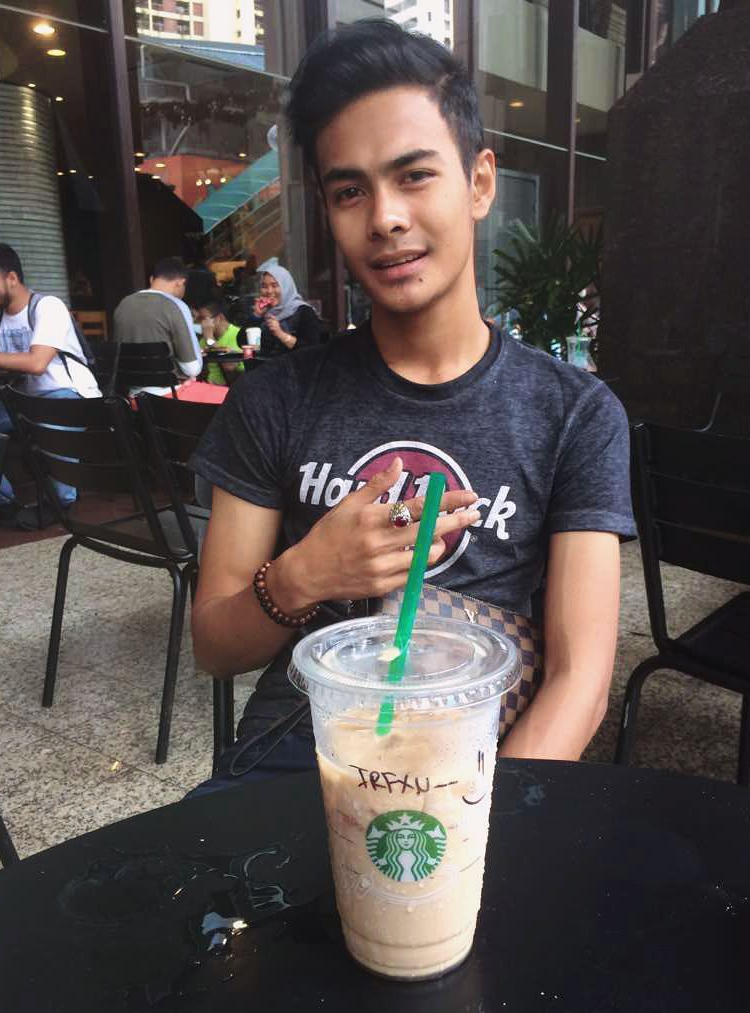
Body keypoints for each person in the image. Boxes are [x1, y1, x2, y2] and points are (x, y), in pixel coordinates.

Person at [188, 19, 635, 794]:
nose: (385, 217)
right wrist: (304, 575)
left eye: (415, 175)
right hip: (300, 747)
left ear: (480, 183)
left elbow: (579, 680)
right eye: (350, 191)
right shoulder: (277, 397)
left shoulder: (574, 413)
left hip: (473, 760)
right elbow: (214, 645)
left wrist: (477, 820)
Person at [0, 243, 101, 530]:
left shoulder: (48, 306)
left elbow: (37, 363)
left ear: (12, 278)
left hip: (70, 393)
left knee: (52, 420)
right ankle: (2, 500)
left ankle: (61, 500)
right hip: (25, 398)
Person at [113, 257, 202, 396]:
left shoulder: (123, 304)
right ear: (180, 282)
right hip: (171, 394)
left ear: (151, 279)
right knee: (227, 397)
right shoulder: (176, 305)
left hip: (131, 394)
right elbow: (192, 369)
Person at [237, 263, 322, 357]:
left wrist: (281, 334)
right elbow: (241, 342)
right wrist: (256, 316)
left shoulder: (303, 312)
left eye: (274, 285)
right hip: (264, 366)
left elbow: (312, 350)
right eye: (264, 286)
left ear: (286, 287)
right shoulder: (263, 313)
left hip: (292, 366)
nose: (269, 291)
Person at [198, 300, 244, 386]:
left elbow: (229, 367)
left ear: (219, 318)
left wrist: (210, 340)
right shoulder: (203, 340)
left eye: (203, 319)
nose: (201, 324)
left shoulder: (238, 335)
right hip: (209, 387)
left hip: (233, 388)